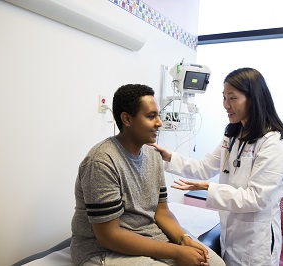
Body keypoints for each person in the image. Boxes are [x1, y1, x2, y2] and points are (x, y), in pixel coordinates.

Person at [70, 84, 226, 266]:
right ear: (127, 119)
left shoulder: (153, 155)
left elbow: (162, 211)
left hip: (149, 236)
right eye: (151, 116)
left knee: (215, 264)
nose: (159, 123)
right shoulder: (102, 162)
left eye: (158, 115)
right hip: (102, 250)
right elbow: (109, 236)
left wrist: (184, 239)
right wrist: (177, 252)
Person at [151, 68, 283, 266]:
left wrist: (207, 188)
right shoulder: (233, 136)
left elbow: (255, 198)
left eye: (232, 98)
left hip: (255, 243)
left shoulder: (273, 143)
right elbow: (205, 167)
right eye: (224, 97)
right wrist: (168, 158)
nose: (226, 105)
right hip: (231, 234)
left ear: (253, 98)